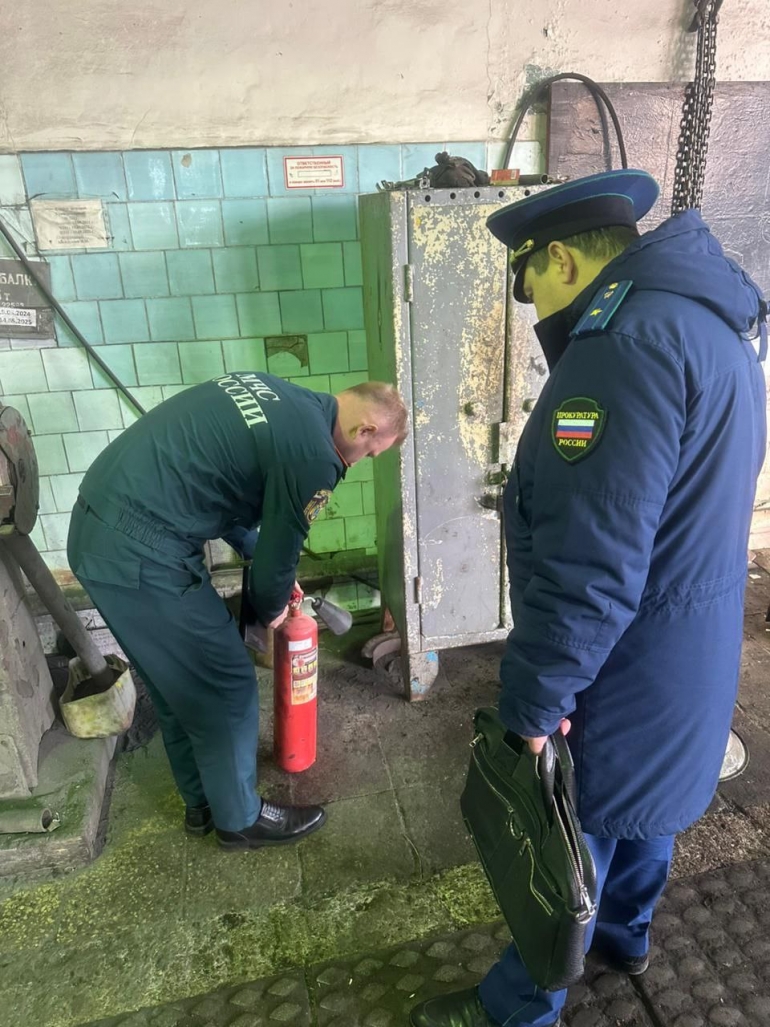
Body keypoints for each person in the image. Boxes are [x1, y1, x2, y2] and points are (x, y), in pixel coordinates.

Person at [410, 169, 767, 1027]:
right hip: (692, 646)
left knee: (571, 839)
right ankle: (624, 935)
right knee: (646, 805)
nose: (533, 307)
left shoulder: (618, 349)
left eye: (529, 283)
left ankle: (517, 1008)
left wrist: (534, 707)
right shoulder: (712, 323)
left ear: (562, 260)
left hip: (625, 661)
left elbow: (590, 568)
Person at [67, 374, 407, 851]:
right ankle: (240, 820)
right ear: (364, 430)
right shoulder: (316, 456)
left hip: (97, 531)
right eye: (371, 453)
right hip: (141, 550)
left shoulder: (279, 394)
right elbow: (275, 562)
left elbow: (229, 492)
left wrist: (265, 560)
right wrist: (270, 607)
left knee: (176, 685)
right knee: (227, 681)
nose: (362, 461)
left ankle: (203, 803)